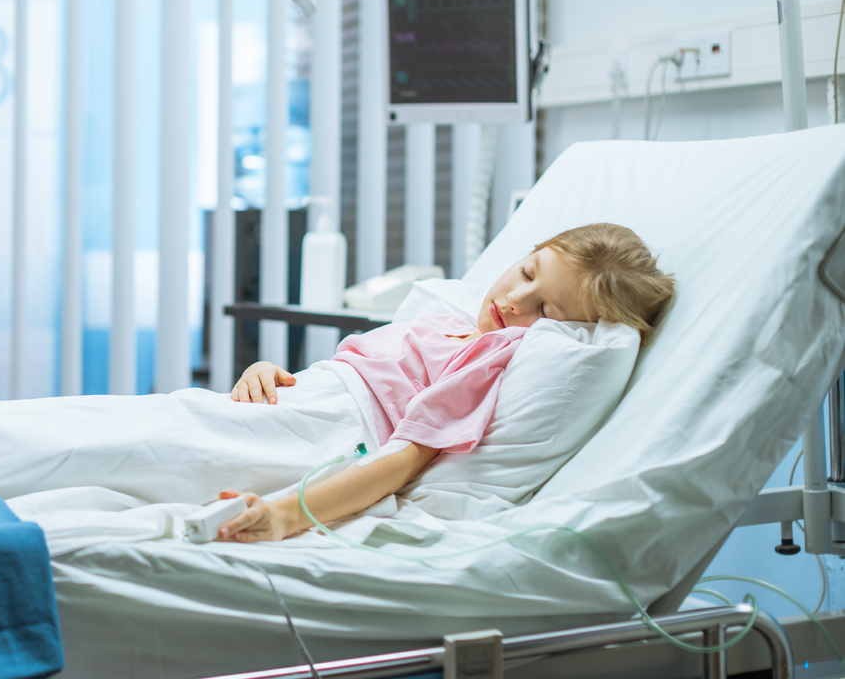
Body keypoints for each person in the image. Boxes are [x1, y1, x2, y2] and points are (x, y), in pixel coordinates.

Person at [215, 222, 676, 543]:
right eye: (527, 272)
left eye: (547, 311)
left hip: (325, 431)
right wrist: (268, 371)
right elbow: (338, 374)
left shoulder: (488, 359)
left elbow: (403, 460)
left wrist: (286, 515)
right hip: (285, 403)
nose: (516, 300)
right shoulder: (443, 321)